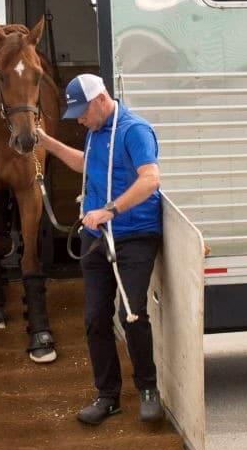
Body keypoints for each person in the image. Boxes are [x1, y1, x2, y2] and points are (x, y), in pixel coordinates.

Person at [36, 73, 164, 425]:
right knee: (94, 320)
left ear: (101, 100)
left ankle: (148, 389)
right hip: (97, 237)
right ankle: (108, 396)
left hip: (134, 235)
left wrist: (110, 209)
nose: (79, 119)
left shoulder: (134, 130)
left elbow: (150, 179)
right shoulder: (95, 132)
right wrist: (46, 142)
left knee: (131, 314)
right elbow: (85, 164)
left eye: (82, 112)